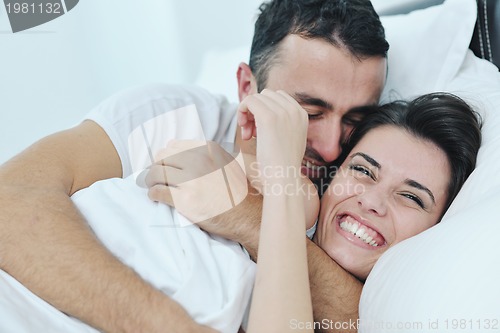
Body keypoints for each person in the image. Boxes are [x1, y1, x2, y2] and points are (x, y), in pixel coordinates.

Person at [0, 1, 388, 332]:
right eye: (308, 112)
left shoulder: (358, 190)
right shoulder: (176, 116)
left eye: (356, 119)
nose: (333, 146)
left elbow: (360, 320)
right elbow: (11, 201)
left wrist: (250, 218)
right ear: (247, 88)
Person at [11, 91, 476, 333]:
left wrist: (272, 197)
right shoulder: (226, 167)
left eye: (411, 197)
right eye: (363, 170)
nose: (372, 200)